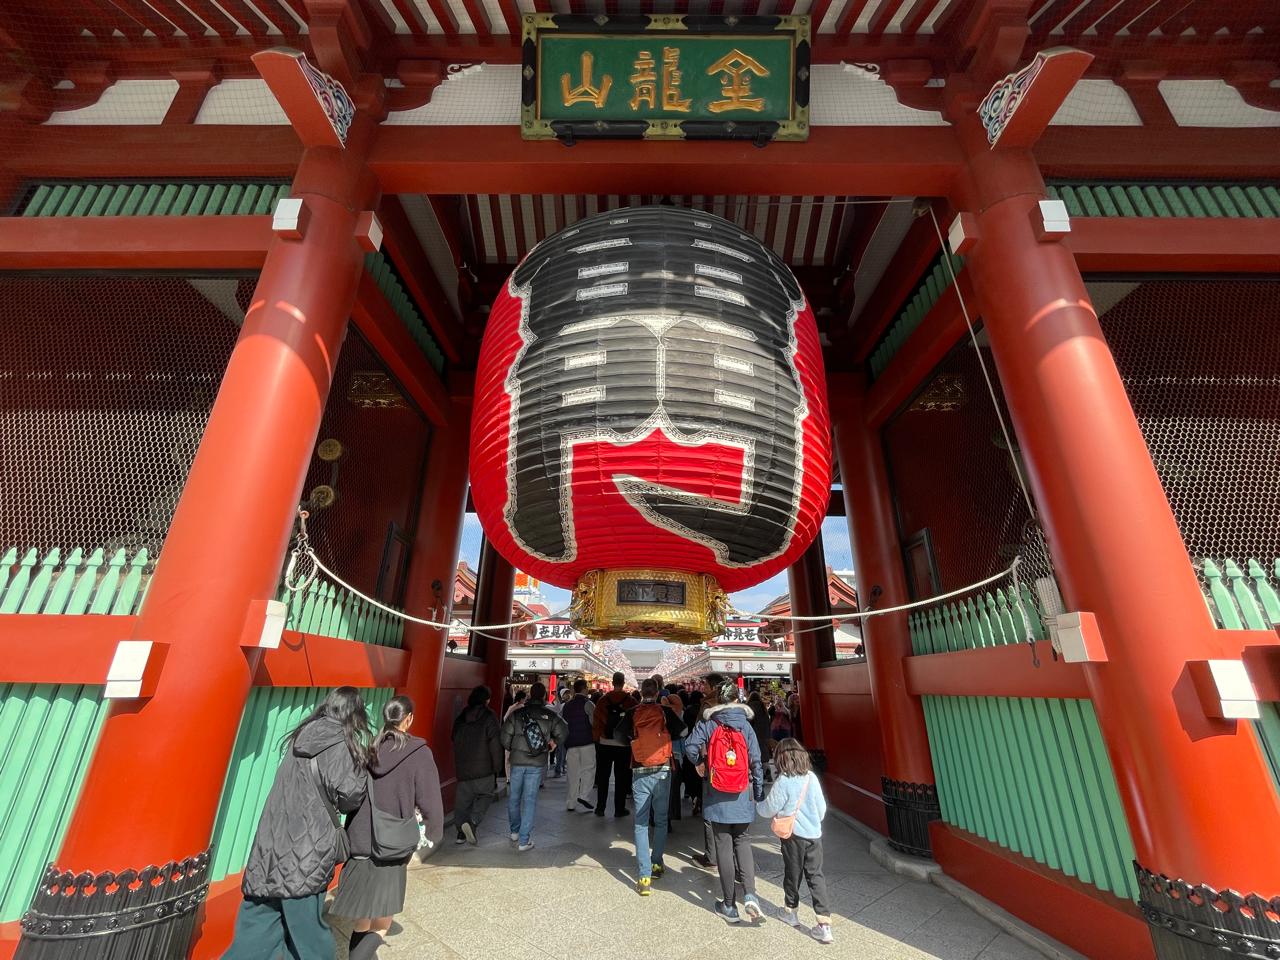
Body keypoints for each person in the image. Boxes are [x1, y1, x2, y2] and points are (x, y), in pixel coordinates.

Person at [224, 687, 371, 960]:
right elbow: (350, 797)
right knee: (309, 938)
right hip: (305, 857)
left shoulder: (300, 738)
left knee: (255, 934)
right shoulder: (340, 747)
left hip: (268, 851)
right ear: (355, 713)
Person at [331, 695, 443, 959]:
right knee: (382, 923)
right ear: (409, 719)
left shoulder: (367, 749)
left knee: (361, 921)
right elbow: (430, 799)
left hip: (359, 839)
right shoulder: (418, 753)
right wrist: (435, 832)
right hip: (391, 844)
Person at [685, 679, 765, 924]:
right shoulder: (746, 726)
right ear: (737, 699)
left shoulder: (709, 723)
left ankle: (729, 905)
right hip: (743, 792)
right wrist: (758, 791)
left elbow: (690, 746)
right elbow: (756, 760)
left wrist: (700, 763)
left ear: (718, 699)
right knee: (743, 841)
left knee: (723, 847)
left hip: (717, 791)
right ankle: (750, 894)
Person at [756, 738, 832, 944]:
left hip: (793, 836)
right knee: (816, 876)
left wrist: (756, 805)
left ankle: (791, 912)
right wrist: (813, 822)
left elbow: (769, 808)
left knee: (793, 873)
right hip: (814, 836)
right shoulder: (811, 778)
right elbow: (822, 809)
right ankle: (824, 925)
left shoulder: (784, 781)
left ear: (781, 758)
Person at [617, 678, 686, 895]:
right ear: (657, 693)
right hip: (663, 769)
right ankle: (656, 862)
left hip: (639, 769)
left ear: (640, 692)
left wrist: (634, 742)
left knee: (640, 822)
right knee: (661, 819)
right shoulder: (664, 711)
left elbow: (618, 735)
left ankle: (644, 876)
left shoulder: (632, 712)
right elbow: (683, 732)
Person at [500, 681, 567, 850]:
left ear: (530, 695)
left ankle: (514, 832)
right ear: (544, 696)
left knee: (514, 797)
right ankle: (524, 840)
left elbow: (504, 737)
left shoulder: (517, 714)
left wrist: (513, 748)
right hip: (537, 762)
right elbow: (564, 730)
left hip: (517, 761)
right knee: (529, 800)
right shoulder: (550, 714)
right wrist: (553, 743)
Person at [451, 684, 502, 844]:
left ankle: (460, 833)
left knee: (463, 802)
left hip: (464, 768)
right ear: (487, 700)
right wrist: (497, 768)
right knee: (486, 795)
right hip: (484, 769)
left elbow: (454, 736)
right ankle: (473, 822)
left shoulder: (462, 716)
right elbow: (495, 744)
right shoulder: (489, 717)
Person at [592, 671, 637, 818]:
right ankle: (619, 809)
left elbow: (596, 722)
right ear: (623, 683)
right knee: (621, 777)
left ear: (612, 682)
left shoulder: (603, 701)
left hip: (605, 743)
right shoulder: (631, 702)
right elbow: (635, 723)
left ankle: (600, 807)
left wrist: (598, 739)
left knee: (603, 776)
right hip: (623, 745)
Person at [561, 678, 597, 812]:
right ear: (584, 689)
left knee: (572, 773)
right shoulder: (589, 704)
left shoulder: (567, 705)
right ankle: (584, 796)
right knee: (588, 769)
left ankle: (571, 802)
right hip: (587, 742)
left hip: (571, 743)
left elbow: (563, 723)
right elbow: (594, 723)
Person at [681, 690, 705, 818]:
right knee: (701, 775)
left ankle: (693, 796)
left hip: (690, 744)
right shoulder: (704, 712)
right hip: (702, 746)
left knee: (691, 773)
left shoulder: (687, 712)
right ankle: (701, 797)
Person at [746, 690, 774, 781]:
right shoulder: (763, 707)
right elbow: (767, 720)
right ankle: (767, 770)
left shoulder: (749, 707)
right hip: (764, 733)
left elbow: (748, 720)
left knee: (753, 753)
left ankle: (756, 774)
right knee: (764, 753)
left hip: (753, 733)